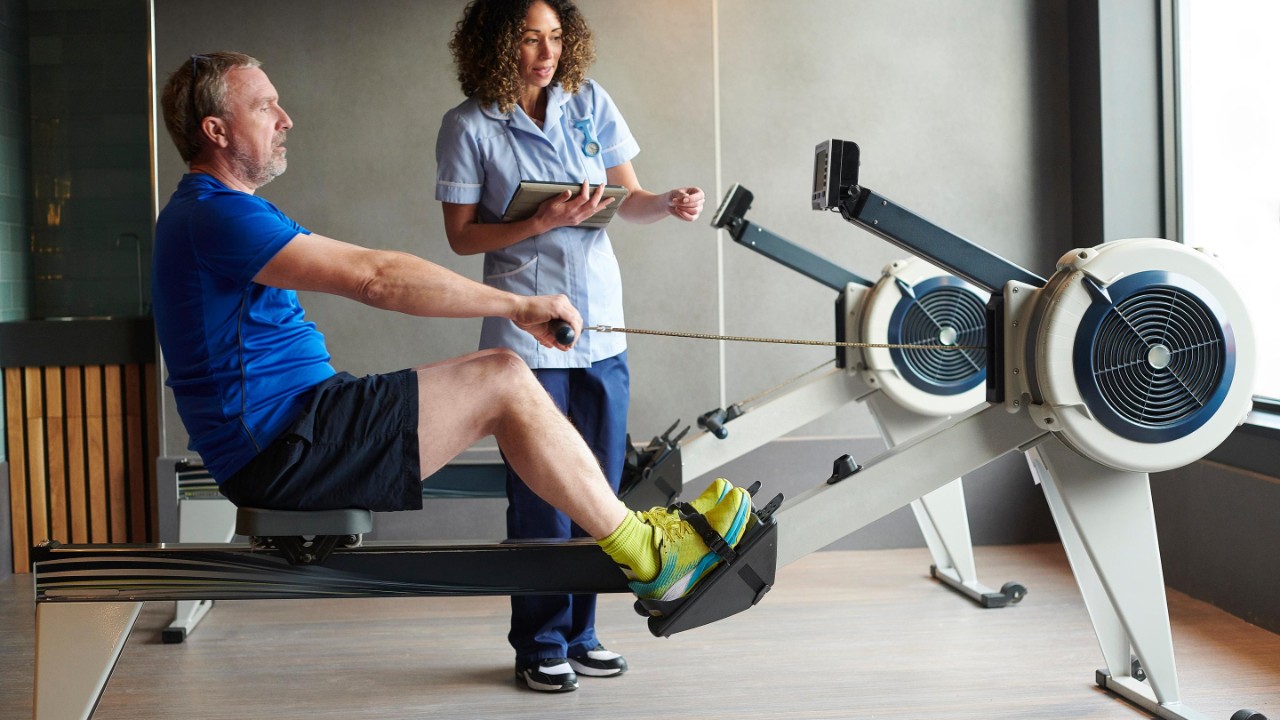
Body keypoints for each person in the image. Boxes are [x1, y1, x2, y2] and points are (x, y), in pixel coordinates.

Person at [151, 50, 751, 688]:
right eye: (264, 106)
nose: (285, 118)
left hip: (303, 424)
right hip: (284, 449)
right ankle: (652, 557)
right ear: (216, 131)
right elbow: (377, 278)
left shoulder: (221, 210)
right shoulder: (214, 215)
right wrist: (519, 305)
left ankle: (642, 544)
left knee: (496, 370)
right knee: (502, 377)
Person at [435, 0, 707, 692]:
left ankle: (583, 634)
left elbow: (628, 198)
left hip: (601, 324)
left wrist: (666, 202)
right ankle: (540, 641)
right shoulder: (468, 125)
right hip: (528, 335)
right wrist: (540, 222)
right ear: (498, 44)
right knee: (540, 497)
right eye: (530, 39)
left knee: (601, 490)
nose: (546, 53)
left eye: (555, 37)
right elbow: (461, 237)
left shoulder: (589, 102)